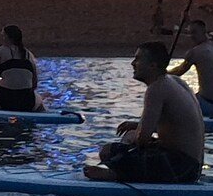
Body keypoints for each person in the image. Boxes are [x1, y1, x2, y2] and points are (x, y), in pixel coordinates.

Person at [86, 41, 204, 184]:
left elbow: (142, 139)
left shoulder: (156, 89)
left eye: (138, 59)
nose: (133, 64)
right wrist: (136, 126)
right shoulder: (175, 81)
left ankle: (114, 173)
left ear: (153, 65)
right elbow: (175, 126)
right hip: (192, 166)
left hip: (180, 167)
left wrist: (131, 141)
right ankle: (117, 168)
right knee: (127, 138)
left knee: (107, 151)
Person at [167, 18, 213, 118]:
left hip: (206, 105)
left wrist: (162, 72)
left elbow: (179, 72)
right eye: (189, 33)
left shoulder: (195, 52)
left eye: (194, 33)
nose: (191, 36)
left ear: (203, 32)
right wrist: (187, 18)